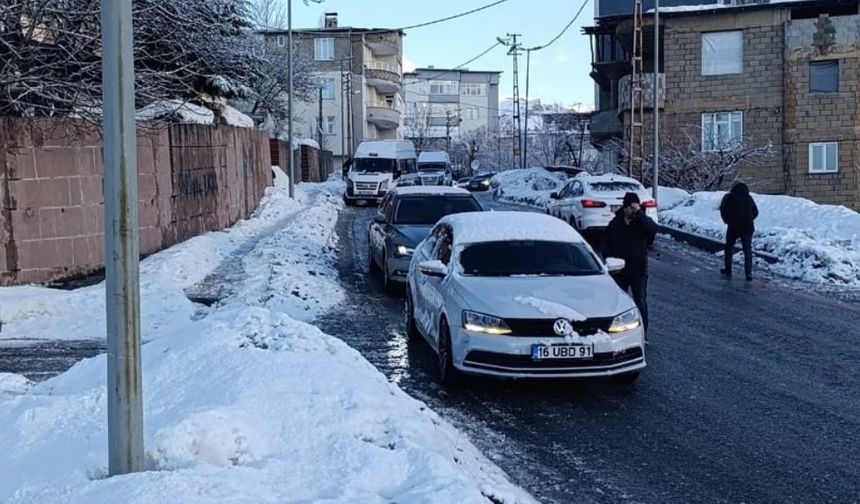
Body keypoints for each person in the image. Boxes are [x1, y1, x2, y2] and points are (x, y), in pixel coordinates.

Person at [603, 192, 658, 336]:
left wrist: (640, 213)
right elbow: (606, 244)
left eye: (636, 208)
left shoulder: (641, 222)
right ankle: (618, 333)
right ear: (626, 207)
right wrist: (609, 261)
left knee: (640, 303)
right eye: (632, 208)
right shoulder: (615, 223)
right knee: (618, 303)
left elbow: (653, 229)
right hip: (619, 271)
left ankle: (643, 335)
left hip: (638, 270)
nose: (634, 211)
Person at [719, 181, 759, 281]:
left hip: (734, 226)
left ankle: (728, 270)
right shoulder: (749, 198)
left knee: (729, 247)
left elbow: (723, 209)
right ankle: (748, 273)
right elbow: (756, 211)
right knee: (747, 250)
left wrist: (727, 220)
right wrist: (749, 219)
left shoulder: (728, 197)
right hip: (748, 227)